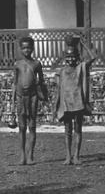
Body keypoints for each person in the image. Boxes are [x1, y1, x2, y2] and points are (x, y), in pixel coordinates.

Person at [52, 36, 92, 166]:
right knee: (67, 130)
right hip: (66, 104)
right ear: (64, 58)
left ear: (78, 56)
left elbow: (92, 57)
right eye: (68, 56)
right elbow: (59, 90)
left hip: (78, 102)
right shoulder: (62, 72)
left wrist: (82, 44)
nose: (70, 59)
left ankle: (76, 156)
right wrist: (56, 106)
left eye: (73, 56)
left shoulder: (81, 67)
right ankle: (68, 156)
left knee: (78, 129)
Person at [9, 36, 48, 165]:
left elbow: (41, 81)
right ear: (20, 49)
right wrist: (12, 101)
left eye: (29, 47)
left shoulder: (36, 64)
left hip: (33, 97)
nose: (27, 50)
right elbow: (15, 83)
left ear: (32, 48)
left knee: (32, 126)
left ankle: (30, 156)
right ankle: (22, 156)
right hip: (21, 96)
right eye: (24, 48)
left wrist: (45, 97)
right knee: (21, 127)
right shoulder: (17, 64)